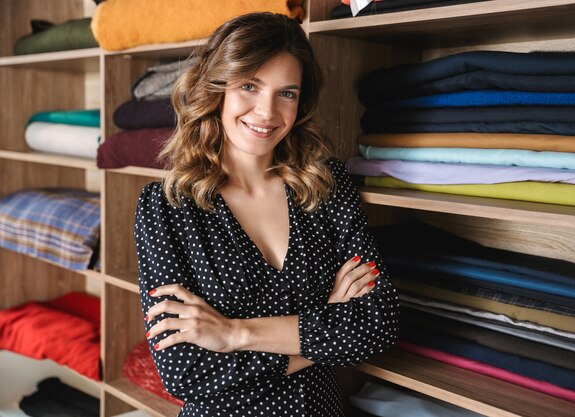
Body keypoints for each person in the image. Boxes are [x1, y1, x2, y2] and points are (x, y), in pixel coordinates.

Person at [134, 12, 399, 417]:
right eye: (249, 86)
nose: (266, 112)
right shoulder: (167, 207)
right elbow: (185, 373)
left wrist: (234, 333)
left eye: (286, 93)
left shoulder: (326, 186)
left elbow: (377, 324)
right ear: (217, 88)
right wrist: (325, 321)